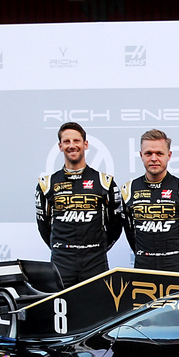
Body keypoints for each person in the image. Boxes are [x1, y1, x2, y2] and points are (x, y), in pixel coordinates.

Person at [34, 122, 123, 285]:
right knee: (63, 310)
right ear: (60, 146)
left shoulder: (104, 182)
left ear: (85, 144)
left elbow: (116, 225)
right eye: (67, 142)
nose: (72, 145)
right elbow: (44, 227)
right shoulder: (47, 184)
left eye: (76, 141)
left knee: (97, 309)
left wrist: (97, 248)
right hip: (62, 262)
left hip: (95, 262)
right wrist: (60, 248)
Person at [120, 129, 179, 273]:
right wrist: (142, 255)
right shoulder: (128, 190)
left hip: (176, 266)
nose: (154, 158)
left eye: (159, 153)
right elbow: (129, 231)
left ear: (169, 155)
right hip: (143, 267)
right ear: (141, 155)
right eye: (148, 153)